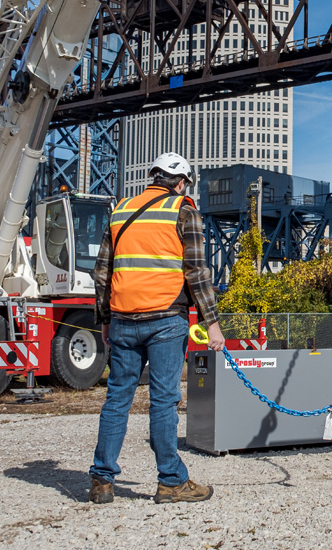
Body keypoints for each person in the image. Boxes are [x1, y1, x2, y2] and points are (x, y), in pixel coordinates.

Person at [89, 152, 225, 504]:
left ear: (153, 177)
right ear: (181, 182)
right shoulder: (183, 209)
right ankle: (171, 482)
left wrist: (104, 319)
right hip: (166, 319)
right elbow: (196, 270)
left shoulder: (120, 210)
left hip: (122, 319)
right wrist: (213, 324)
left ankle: (102, 480)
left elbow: (102, 272)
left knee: (117, 398)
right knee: (163, 401)